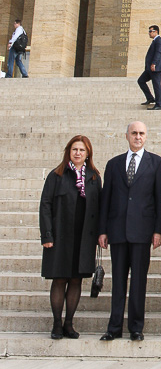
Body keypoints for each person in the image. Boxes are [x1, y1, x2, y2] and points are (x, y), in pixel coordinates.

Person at [98, 121, 161, 342]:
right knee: (118, 281)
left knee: (139, 281)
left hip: (142, 232)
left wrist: (158, 230)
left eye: (141, 133)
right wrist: (102, 230)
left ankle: (136, 327)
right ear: (126, 135)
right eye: (134, 133)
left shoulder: (156, 163)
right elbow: (105, 199)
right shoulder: (114, 164)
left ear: (146, 136)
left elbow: (160, 200)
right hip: (117, 231)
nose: (138, 137)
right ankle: (114, 327)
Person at [39, 135, 102, 339]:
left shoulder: (93, 177)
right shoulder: (56, 175)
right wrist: (47, 234)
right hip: (59, 237)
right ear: (68, 151)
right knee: (59, 280)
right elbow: (45, 206)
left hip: (83, 238)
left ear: (88, 154)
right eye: (74, 149)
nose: (78, 153)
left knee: (76, 280)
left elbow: (99, 208)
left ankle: (69, 324)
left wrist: (101, 234)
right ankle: (57, 324)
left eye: (82, 150)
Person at [138, 25, 161, 110]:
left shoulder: (159, 41)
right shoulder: (155, 41)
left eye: (151, 31)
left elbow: (158, 53)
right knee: (141, 80)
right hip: (150, 68)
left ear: (156, 32)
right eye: (149, 31)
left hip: (155, 68)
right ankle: (150, 98)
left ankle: (159, 104)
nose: (149, 33)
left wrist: (154, 63)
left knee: (156, 85)